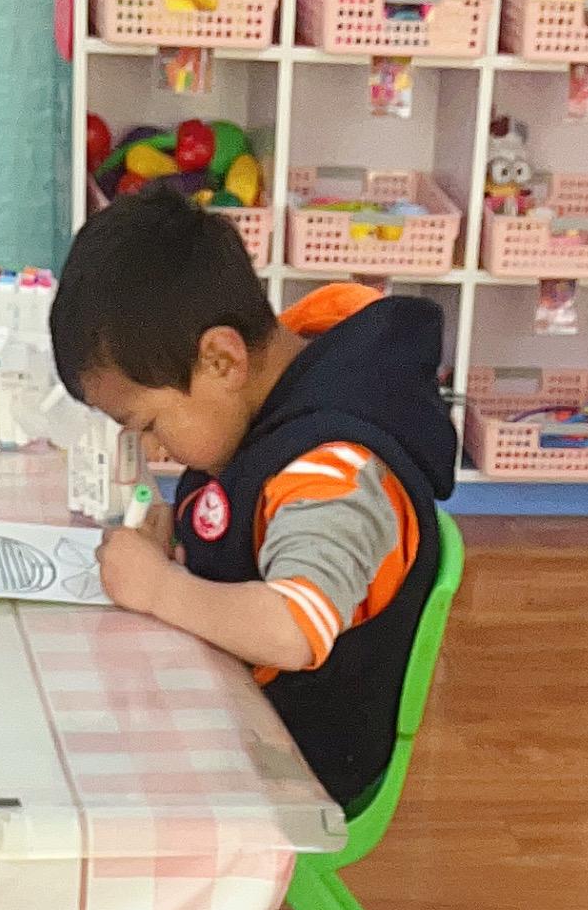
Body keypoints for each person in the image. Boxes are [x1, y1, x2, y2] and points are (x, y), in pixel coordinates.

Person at [51, 186, 458, 812]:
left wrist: (160, 588)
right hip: (236, 711)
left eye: (150, 425)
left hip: (292, 769)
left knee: (78, 770)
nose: (150, 448)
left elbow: (295, 627)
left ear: (221, 360)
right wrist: (179, 542)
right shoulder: (258, 401)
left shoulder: (332, 470)